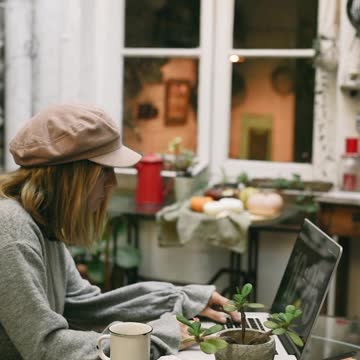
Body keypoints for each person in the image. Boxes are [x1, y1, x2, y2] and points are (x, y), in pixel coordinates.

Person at [0, 104, 239, 360]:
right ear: (71, 176)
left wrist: (180, 299)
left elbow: (84, 306)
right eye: (104, 170)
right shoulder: (12, 231)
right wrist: (154, 338)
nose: (112, 182)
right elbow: (46, 347)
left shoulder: (42, 223)